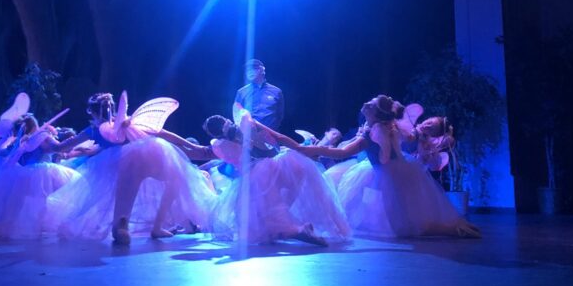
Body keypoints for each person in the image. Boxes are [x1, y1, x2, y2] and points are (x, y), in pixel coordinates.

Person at [47, 92, 215, 244]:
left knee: (127, 192)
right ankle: (154, 226)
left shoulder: (96, 129)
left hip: (123, 163)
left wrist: (49, 141)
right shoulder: (128, 123)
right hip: (149, 157)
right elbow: (161, 132)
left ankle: (122, 226)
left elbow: (62, 146)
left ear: (92, 111)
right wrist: (191, 146)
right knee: (174, 179)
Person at [303, 95, 479, 239]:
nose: (427, 125)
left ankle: (453, 228)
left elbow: (390, 152)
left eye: (431, 128)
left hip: (395, 171)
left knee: (407, 225)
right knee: (343, 185)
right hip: (378, 166)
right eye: (429, 122)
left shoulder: (398, 132)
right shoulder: (392, 126)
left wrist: (424, 144)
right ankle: (330, 220)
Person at [204, 112, 349, 246]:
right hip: (272, 165)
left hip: (253, 176)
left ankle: (294, 229)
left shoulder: (219, 145)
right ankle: (297, 229)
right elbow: (278, 139)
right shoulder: (245, 124)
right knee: (274, 203)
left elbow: (222, 160)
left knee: (263, 211)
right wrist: (300, 148)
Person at [233, 59, 284, 130]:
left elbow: (280, 115)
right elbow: (236, 114)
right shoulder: (241, 92)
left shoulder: (277, 91)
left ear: (262, 70)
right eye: (247, 70)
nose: (250, 72)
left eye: (253, 68)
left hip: (271, 135)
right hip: (249, 135)